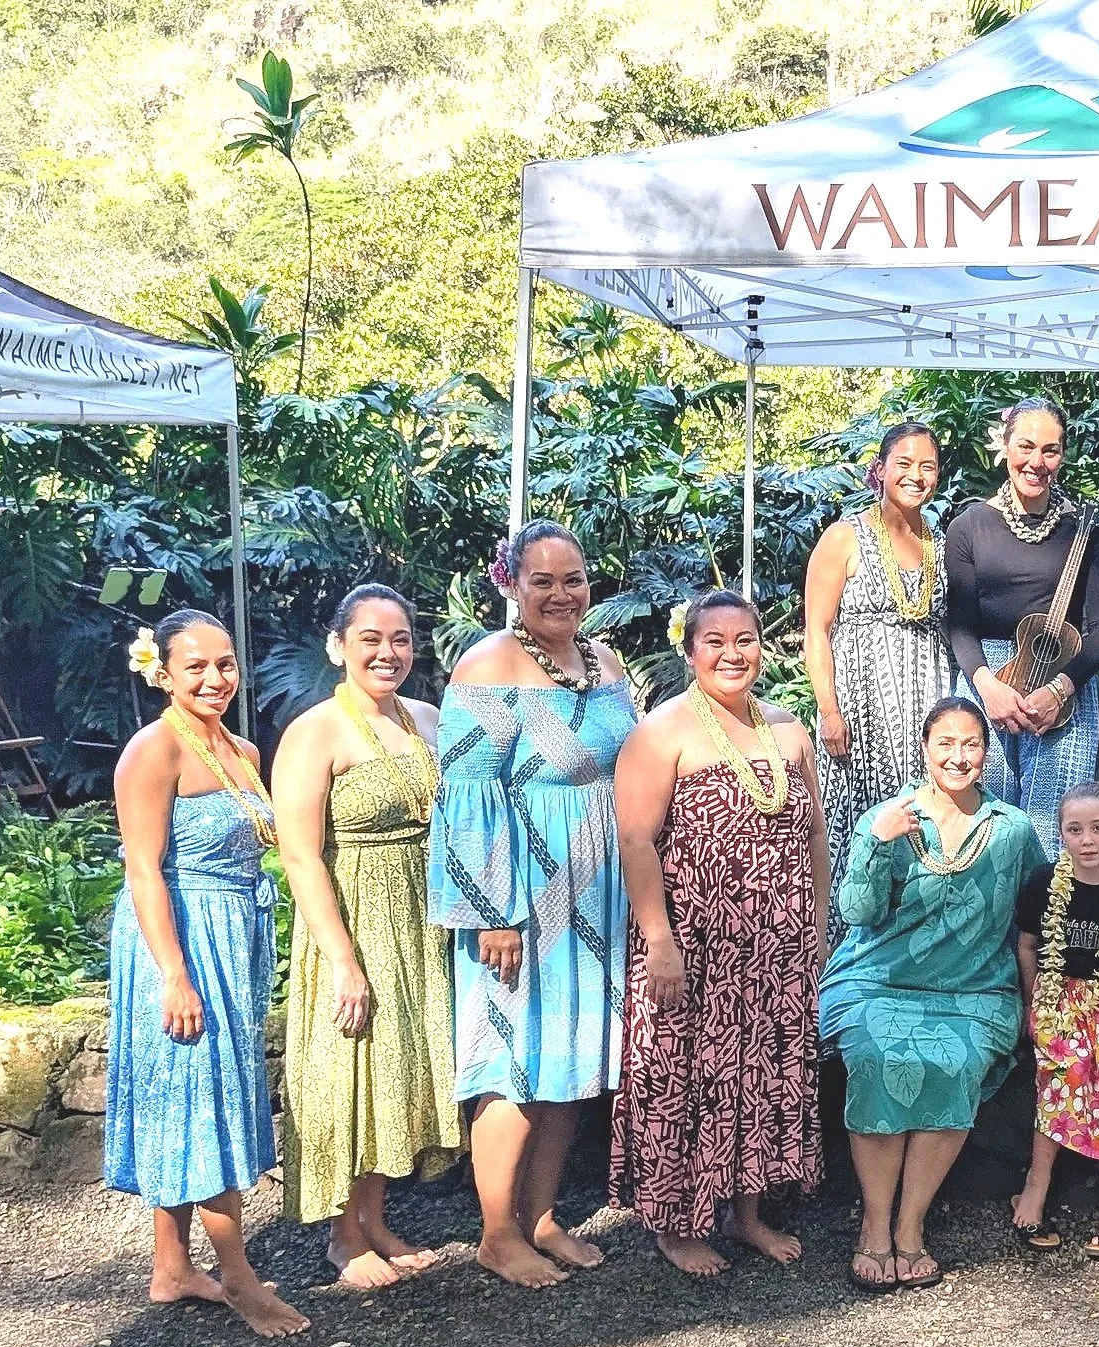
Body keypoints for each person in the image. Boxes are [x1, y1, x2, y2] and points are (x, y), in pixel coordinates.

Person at [430, 522, 638, 1288]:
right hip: (522, 895)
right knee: (513, 1061)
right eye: (543, 581)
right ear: (511, 584)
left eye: (574, 579)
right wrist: (490, 910)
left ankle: (542, 1216)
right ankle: (495, 1231)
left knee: (570, 1057)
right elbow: (468, 796)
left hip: (597, 892)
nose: (561, 594)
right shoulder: (487, 665)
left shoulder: (604, 661)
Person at [611, 590, 828, 1277]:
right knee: (688, 1074)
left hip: (775, 945)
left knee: (761, 1073)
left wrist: (816, 926)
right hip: (695, 943)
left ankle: (749, 1213)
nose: (732, 654)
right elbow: (636, 842)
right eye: (715, 641)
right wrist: (660, 940)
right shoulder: (662, 731)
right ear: (690, 650)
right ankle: (677, 1224)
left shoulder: (789, 729)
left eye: (745, 640)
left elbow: (816, 834)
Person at [104, 609, 308, 1338]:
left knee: (197, 1095)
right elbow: (142, 870)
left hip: (233, 937)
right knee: (203, 1097)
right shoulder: (152, 750)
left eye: (225, 664)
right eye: (196, 666)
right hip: (179, 937)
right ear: (161, 670)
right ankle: (240, 1277)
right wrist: (173, 974)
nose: (216, 678)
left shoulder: (241, 748)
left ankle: (172, 1267)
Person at [819, 697, 1041, 1291]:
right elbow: (856, 913)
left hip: (973, 989)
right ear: (924, 749)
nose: (958, 756)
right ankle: (874, 1224)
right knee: (877, 1056)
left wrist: (1043, 995)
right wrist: (873, 844)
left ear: (987, 754)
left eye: (971, 744)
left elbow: (1036, 914)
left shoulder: (1013, 830)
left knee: (956, 1059)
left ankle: (910, 1227)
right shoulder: (887, 819)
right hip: (877, 979)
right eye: (945, 743)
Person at [274, 583, 460, 1289]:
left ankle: (376, 1218)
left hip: (419, 916)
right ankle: (343, 1238)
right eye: (371, 640)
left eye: (401, 639)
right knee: (352, 1070)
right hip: (353, 913)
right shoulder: (315, 731)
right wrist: (343, 960)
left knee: (400, 1071)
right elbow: (299, 853)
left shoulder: (425, 718)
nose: (389, 652)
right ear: (338, 646)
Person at [944, 398, 1099, 860]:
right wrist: (987, 688)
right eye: (1025, 446)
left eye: (1051, 450)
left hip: (1065, 681)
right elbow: (959, 624)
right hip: (989, 679)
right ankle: (988, 932)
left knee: (1053, 824)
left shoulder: (1087, 528)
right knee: (986, 824)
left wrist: (1059, 690)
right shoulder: (969, 527)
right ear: (1004, 445)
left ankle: (1042, 931)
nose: (1036, 463)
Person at [804, 421, 955, 927]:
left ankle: (915, 939)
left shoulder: (940, 541)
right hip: (861, 710)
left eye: (927, 466)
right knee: (859, 825)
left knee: (922, 817)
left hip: (925, 704)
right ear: (879, 471)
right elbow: (817, 630)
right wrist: (829, 710)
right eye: (905, 464)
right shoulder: (845, 536)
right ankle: (849, 943)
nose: (917, 475)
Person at [1011, 781, 1099, 1260]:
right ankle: (1035, 1185)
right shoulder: (1041, 883)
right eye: (1075, 830)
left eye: (1098, 828)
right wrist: (1035, 1004)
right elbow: (1029, 946)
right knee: (1057, 1086)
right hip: (1058, 1001)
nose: (1087, 840)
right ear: (1061, 835)